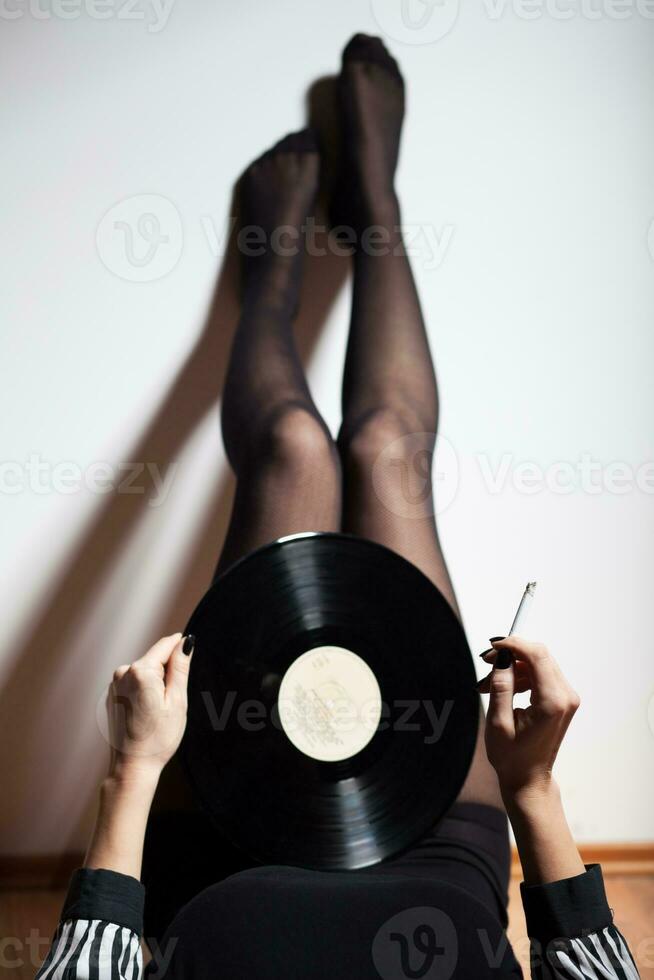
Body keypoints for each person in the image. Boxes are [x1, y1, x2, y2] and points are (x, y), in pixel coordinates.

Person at [36, 34, 639, 980]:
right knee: (385, 448)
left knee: (291, 449)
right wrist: (530, 788)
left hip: (232, 849)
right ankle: (375, 206)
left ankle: (270, 276)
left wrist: (132, 774)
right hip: (441, 841)